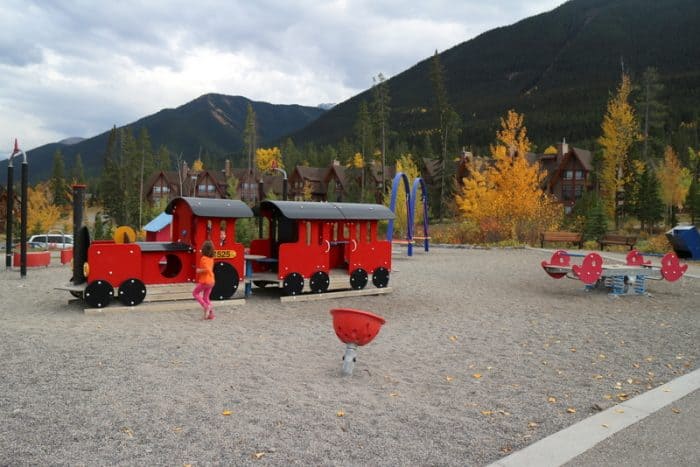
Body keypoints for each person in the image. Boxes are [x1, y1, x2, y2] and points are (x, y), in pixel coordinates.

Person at [193, 240, 216, 320]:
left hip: (205, 281)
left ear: (204, 249)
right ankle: (211, 315)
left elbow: (207, 269)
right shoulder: (211, 258)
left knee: (195, 293)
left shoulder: (203, 258)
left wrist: (199, 270)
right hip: (211, 281)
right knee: (206, 297)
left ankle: (205, 306)